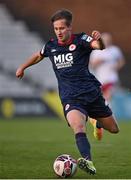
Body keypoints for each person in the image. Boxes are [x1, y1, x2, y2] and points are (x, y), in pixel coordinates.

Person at [16, 9, 119, 175]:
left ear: (69, 28)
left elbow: (97, 46)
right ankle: (88, 160)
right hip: (70, 97)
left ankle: (96, 121)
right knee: (78, 126)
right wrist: (22, 67)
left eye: (62, 28)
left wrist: (100, 41)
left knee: (113, 129)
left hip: (91, 93)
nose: (58, 32)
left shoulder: (81, 39)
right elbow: (38, 55)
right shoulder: (51, 45)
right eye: (56, 29)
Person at [89, 32, 125, 140]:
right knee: (102, 100)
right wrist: (99, 61)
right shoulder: (96, 51)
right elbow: (92, 65)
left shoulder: (115, 50)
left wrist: (117, 66)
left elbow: (121, 61)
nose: (107, 41)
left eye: (109, 39)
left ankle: (105, 120)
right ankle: (99, 121)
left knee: (108, 97)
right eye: (105, 39)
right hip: (100, 79)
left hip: (111, 79)